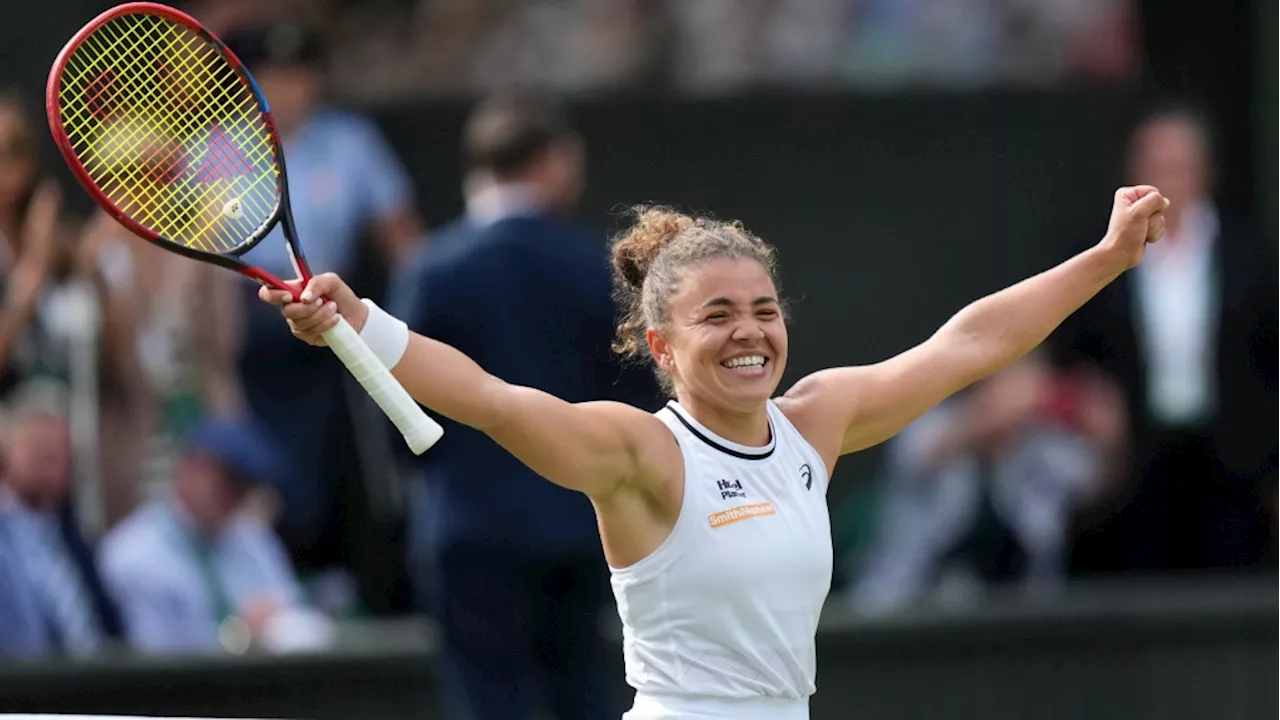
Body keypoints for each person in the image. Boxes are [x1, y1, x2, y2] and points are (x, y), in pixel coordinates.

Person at [260, 184, 1168, 719]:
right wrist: (360, 323)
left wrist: (1106, 257)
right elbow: (493, 400)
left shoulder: (817, 422)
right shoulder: (640, 456)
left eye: (765, 311)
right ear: (661, 347)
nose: (750, 334)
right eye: (718, 316)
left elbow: (965, 346)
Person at [388, 93, 660, 720]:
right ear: (554, 162)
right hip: (579, 524)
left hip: (469, 531)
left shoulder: (431, 270)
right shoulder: (596, 268)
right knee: (582, 695)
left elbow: (394, 408)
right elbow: (640, 399)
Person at [1055, 101, 1280, 573]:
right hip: (1132, 465)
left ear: (1205, 171)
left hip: (1233, 461)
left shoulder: (1249, 255)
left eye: (1180, 166)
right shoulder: (1099, 256)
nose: (1168, 181)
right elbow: (1072, 350)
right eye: (1156, 166)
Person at [98, 415, 330, 655]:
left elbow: (296, 613)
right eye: (228, 479)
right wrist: (239, 636)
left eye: (245, 484)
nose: (236, 494)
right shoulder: (132, 553)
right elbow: (154, 659)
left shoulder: (254, 540)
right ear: (187, 468)